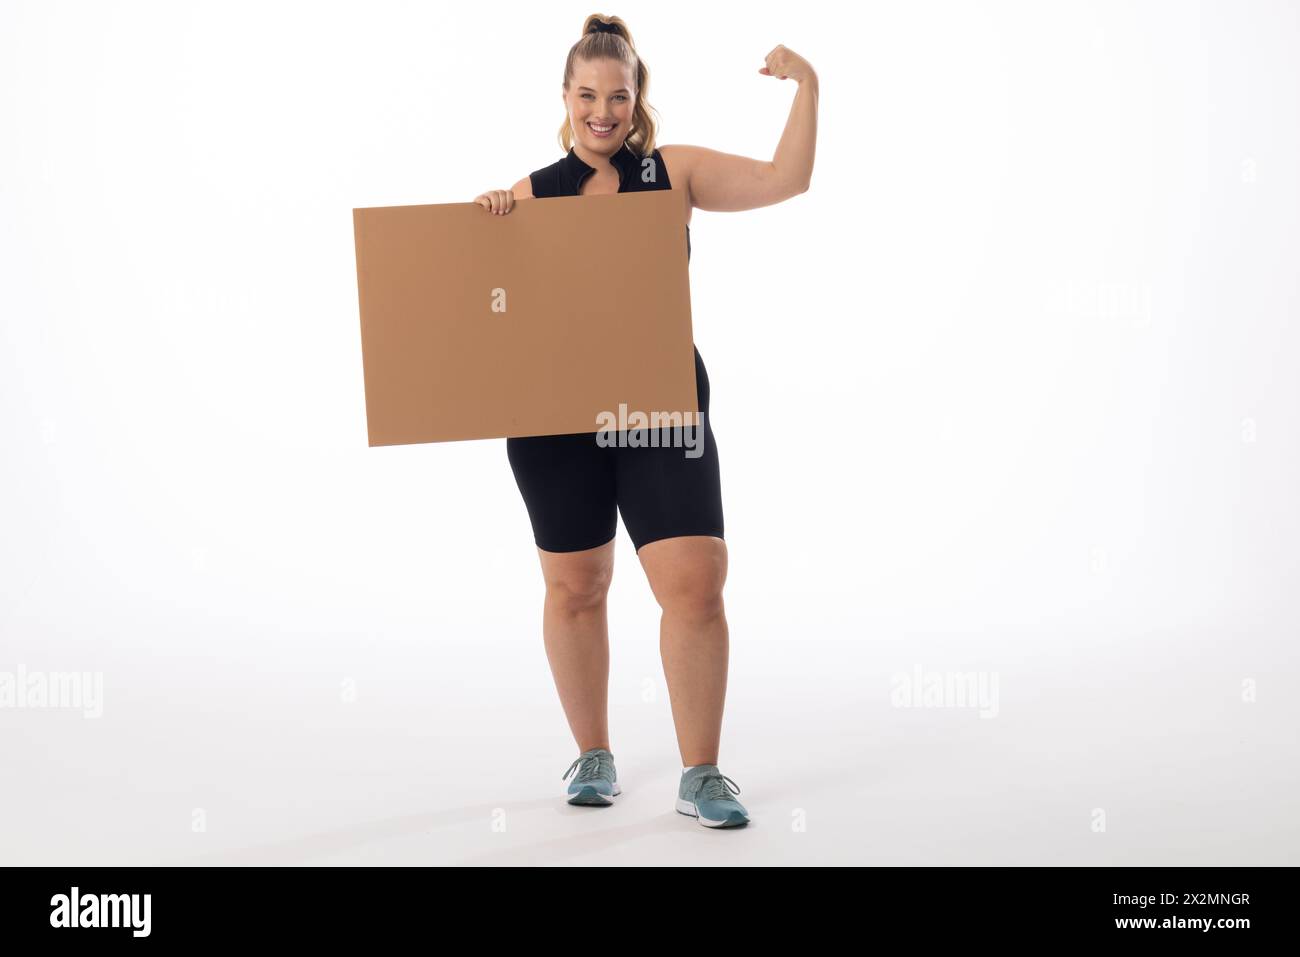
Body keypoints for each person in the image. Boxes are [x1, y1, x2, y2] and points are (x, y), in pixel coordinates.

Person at [473, 13, 817, 828]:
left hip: (659, 407)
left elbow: (785, 178)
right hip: (556, 420)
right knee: (576, 585)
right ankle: (593, 754)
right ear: (565, 97)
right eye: (587, 95)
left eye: (617, 96)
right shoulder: (529, 195)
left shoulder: (675, 173)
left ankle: (701, 773)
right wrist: (481, 228)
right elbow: (485, 306)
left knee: (695, 585)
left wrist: (809, 84)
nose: (602, 111)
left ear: (636, 99)